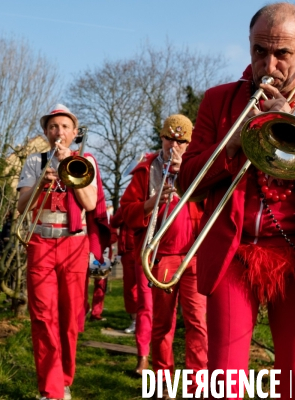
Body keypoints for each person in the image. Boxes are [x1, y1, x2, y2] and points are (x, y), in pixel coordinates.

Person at [177, 3, 295, 398]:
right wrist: (232, 145)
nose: (270, 63)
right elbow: (186, 180)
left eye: (283, 53)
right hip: (234, 250)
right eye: (260, 50)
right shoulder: (218, 101)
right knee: (223, 380)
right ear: (249, 45)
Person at [17, 104, 109, 400]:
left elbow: (91, 204)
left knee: (70, 317)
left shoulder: (86, 161)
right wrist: (40, 186)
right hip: (41, 241)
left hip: (73, 244)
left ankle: (65, 378)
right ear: (46, 132)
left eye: (64, 127)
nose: (58, 132)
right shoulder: (34, 161)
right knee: (43, 317)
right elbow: (21, 207)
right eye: (53, 127)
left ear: (74, 132)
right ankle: (51, 389)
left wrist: (69, 168)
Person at [120, 115, 208, 391]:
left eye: (182, 141)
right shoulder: (146, 169)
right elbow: (126, 212)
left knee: (198, 325)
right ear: (161, 138)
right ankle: (162, 385)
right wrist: (151, 203)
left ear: (189, 142)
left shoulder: (199, 166)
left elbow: (212, 204)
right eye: (170, 139)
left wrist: (186, 174)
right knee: (162, 325)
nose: (175, 145)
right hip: (161, 256)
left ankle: (198, 386)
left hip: (194, 255)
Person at [109, 206, 138, 333]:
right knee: (130, 288)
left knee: (148, 288)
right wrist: (125, 208)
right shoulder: (126, 205)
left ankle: (150, 319)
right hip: (128, 251)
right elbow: (115, 222)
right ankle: (135, 320)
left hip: (146, 248)